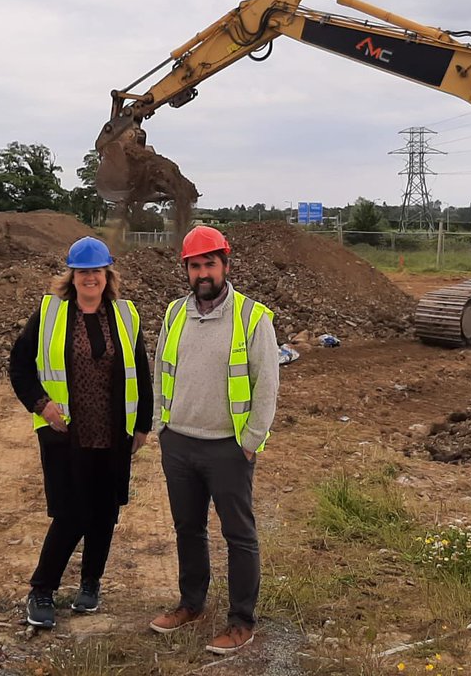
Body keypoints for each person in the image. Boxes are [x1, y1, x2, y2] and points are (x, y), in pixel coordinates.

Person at [8, 236, 153, 629]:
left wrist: (142, 423)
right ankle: (42, 590)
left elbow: (140, 369)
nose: (91, 278)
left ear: (108, 274)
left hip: (113, 433)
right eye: (83, 271)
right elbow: (19, 366)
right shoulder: (50, 314)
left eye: (97, 271)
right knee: (71, 514)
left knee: (105, 512)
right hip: (65, 434)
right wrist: (41, 404)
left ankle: (91, 583)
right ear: (71, 276)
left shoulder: (125, 315)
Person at [148, 226, 279, 655]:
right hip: (179, 443)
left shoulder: (252, 317)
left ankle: (241, 622)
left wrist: (251, 441)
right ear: (186, 269)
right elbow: (160, 370)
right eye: (195, 265)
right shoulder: (174, 314)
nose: (202, 273)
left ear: (225, 265)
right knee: (188, 528)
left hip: (228, 446)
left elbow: (266, 384)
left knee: (239, 535)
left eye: (209, 264)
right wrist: (160, 425)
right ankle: (191, 604)